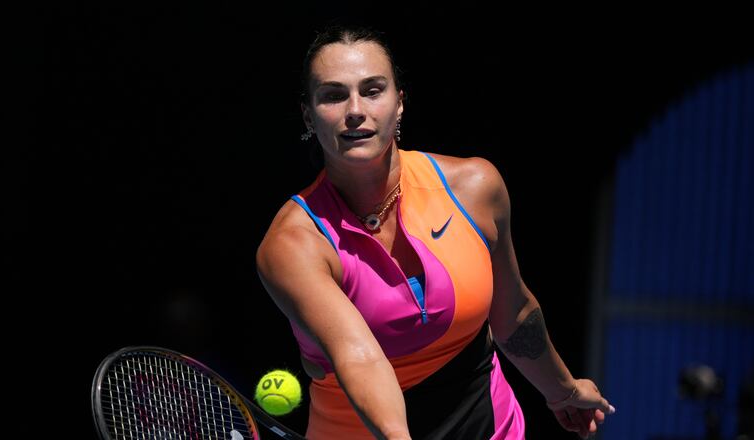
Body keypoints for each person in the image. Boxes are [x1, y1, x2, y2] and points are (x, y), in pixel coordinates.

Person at [256, 24, 614, 440]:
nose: (355, 109)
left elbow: (513, 312)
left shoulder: (474, 188)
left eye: (372, 90)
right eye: (334, 95)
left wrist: (563, 390)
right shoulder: (293, 243)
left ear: (399, 103)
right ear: (308, 115)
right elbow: (360, 357)